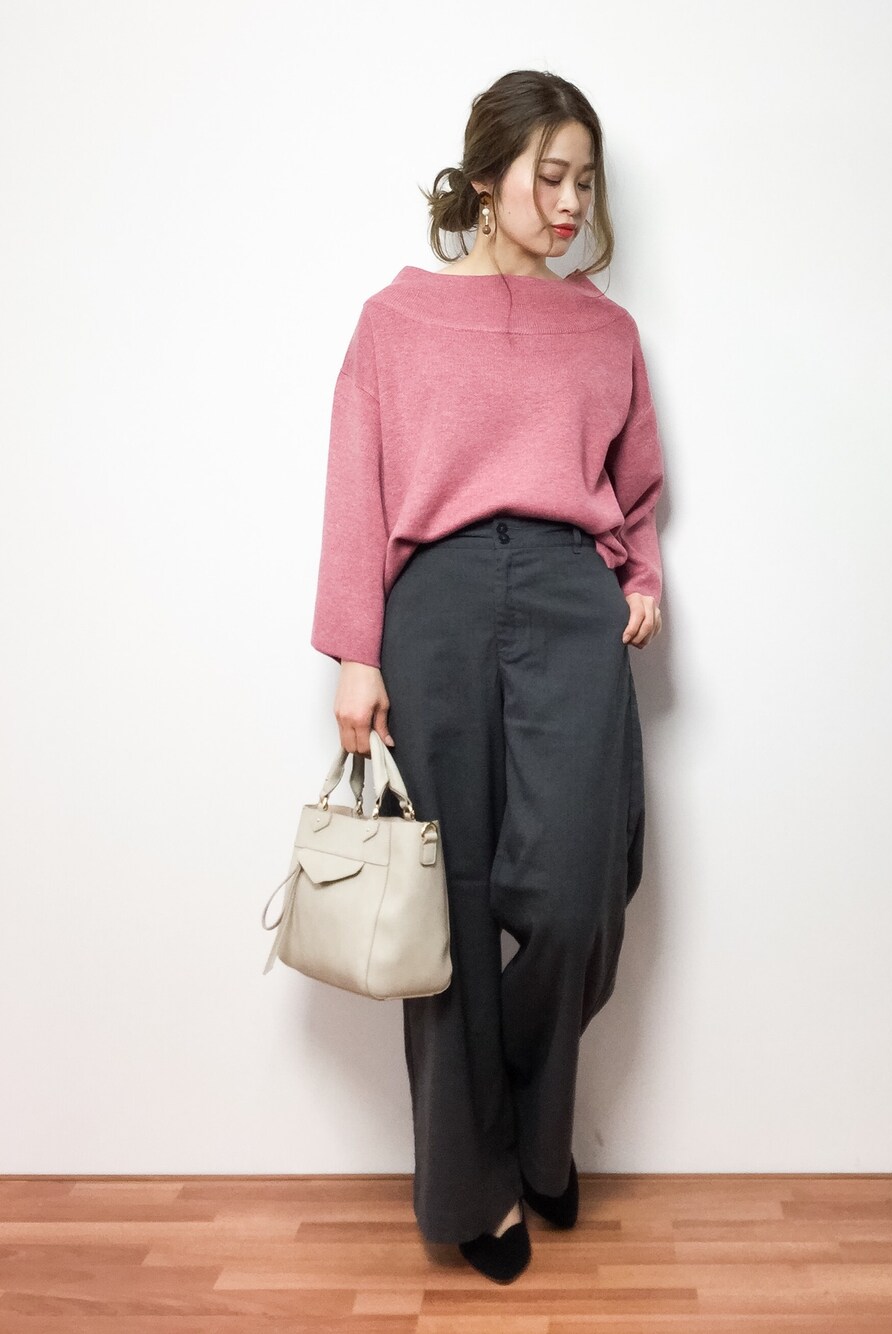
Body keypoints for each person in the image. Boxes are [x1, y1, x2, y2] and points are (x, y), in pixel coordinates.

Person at [310, 69, 664, 1285]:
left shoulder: (608, 332)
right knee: (448, 904)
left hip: (571, 597)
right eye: (548, 176)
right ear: (482, 179)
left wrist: (641, 577)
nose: (569, 203)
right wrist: (357, 651)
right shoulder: (394, 320)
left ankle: (522, 1130)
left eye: (584, 182)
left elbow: (636, 490)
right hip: (438, 604)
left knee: (578, 895)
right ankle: (478, 1186)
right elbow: (356, 488)